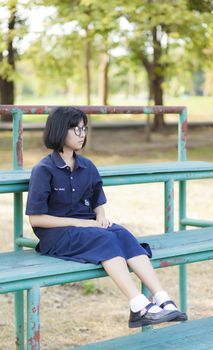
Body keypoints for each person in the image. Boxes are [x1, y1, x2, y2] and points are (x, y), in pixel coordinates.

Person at [26, 106, 187, 328]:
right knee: (106, 239)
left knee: (122, 234)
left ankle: (162, 298)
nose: (82, 134)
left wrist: (101, 217)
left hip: (88, 229)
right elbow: (36, 219)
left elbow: (97, 202)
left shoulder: (87, 166)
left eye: (84, 129)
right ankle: (138, 305)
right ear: (59, 130)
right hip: (57, 236)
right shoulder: (43, 169)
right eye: (76, 129)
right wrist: (82, 222)